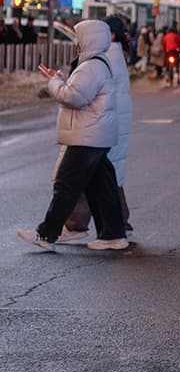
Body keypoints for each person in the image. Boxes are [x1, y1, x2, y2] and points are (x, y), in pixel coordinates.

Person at [16, 19, 128, 252]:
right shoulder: (97, 63)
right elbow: (79, 91)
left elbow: (72, 97)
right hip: (96, 134)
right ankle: (113, 234)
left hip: (87, 135)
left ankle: (46, 234)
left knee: (66, 184)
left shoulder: (92, 66)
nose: (77, 42)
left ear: (90, 38)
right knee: (102, 187)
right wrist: (59, 80)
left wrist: (54, 83)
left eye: (79, 37)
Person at [59, 15, 134, 243]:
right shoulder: (115, 54)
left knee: (82, 176)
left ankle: (74, 225)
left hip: (98, 125)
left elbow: (79, 93)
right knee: (106, 177)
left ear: (109, 35)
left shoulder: (105, 56)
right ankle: (119, 225)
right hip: (109, 124)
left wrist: (58, 83)